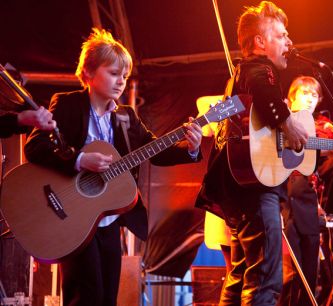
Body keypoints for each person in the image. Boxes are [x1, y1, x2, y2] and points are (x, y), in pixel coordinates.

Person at [24, 28, 202, 306]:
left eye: (125, 76)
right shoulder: (67, 105)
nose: (121, 81)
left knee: (107, 297)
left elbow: (155, 150)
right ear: (87, 73)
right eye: (113, 73)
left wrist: (190, 149)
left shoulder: (126, 117)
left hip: (107, 220)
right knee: (85, 297)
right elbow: (35, 148)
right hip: (70, 217)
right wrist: (80, 160)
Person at [196, 1, 308, 305]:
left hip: (237, 186)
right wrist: (288, 124)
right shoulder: (260, 69)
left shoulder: (241, 76)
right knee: (266, 279)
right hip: (255, 188)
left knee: (242, 272)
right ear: (260, 42)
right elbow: (263, 87)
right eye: (282, 35)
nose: (289, 42)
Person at [279, 76, 324, 306]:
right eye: (304, 94)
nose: (310, 99)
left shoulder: (319, 129)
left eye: (314, 95)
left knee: (309, 276)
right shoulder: (276, 122)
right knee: (287, 278)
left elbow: (318, 168)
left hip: (307, 210)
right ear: (291, 97)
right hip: (281, 206)